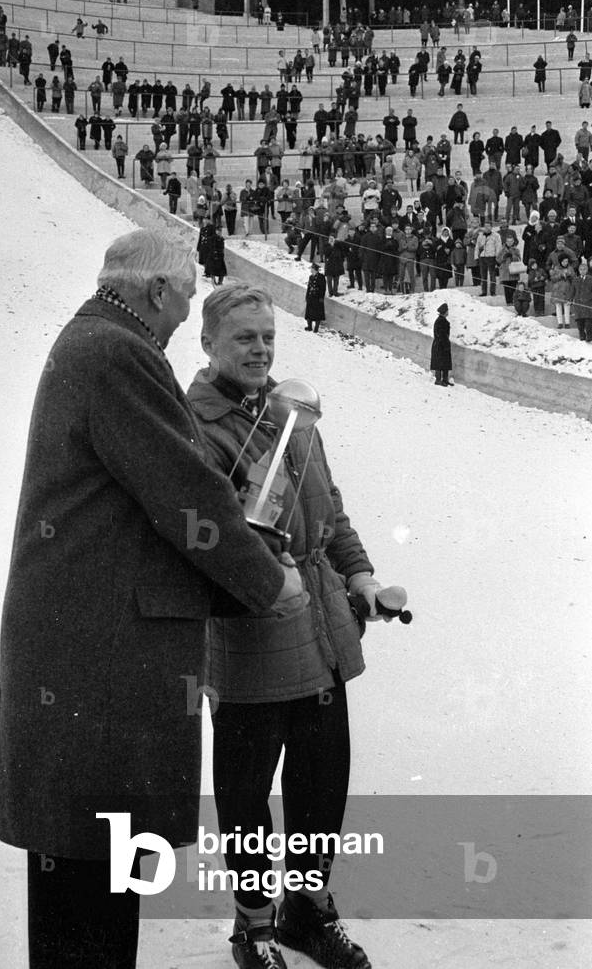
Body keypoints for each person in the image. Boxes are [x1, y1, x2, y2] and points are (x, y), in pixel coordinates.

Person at [0, 232, 303, 969]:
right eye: (188, 299)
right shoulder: (118, 352)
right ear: (157, 292)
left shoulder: (96, 340)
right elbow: (182, 486)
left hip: (84, 650)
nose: (188, 318)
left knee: (87, 869)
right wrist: (264, 580)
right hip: (99, 658)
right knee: (91, 879)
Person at [187, 284, 393, 969]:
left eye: (267, 337)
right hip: (251, 635)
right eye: (243, 337)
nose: (259, 349)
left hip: (323, 635)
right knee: (247, 794)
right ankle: (253, 924)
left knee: (320, 782)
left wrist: (360, 576)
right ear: (208, 342)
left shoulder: (294, 413)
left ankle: (306, 909)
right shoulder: (196, 424)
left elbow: (329, 513)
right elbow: (211, 540)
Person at [431, 302, 452, 385]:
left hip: (441, 344)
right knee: (440, 363)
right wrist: (446, 344)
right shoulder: (441, 321)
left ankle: (444, 380)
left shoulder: (441, 320)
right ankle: (439, 380)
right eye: (447, 310)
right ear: (445, 312)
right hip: (440, 345)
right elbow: (442, 334)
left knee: (444, 362)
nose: (448, 312)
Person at [572, 258, 592, 339]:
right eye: (581, 269)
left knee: (588, 321)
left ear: (587, 270)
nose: (582, 271)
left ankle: (589, 335)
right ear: (579, 270)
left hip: (588, 302)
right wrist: (569, 300)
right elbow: (572, 291)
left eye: (584, 269)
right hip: (578, 303)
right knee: (579, 321)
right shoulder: (575, 280)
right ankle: (582, 335)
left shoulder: (591, 279)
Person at [304, 261, 326, 330]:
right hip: (311, 297)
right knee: (309, 312)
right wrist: (307, 296)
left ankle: (316, 327)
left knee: (317, 313)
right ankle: (309, 326)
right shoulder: (310, 277)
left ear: (314, 269)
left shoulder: (321, 277)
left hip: (317, 297)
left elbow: (323, 288)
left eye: (312, 268)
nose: (311, 269)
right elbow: (309, 287)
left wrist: (321, 297)